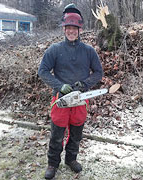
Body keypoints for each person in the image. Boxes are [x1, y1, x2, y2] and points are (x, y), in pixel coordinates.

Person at [38, 3, 103, 179]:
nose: (71, 31)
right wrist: (59, 86)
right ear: (64, 29)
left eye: (74, 28)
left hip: (81, 99)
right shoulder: (55, 50)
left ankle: (71, 159)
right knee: (57, 134)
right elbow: (42, 71)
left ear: (79, 29)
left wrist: (85, 83)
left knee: (76, 133)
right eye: (68, 28)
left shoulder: (88, 51)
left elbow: (98, 72)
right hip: (60, 99)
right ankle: (53, 163)